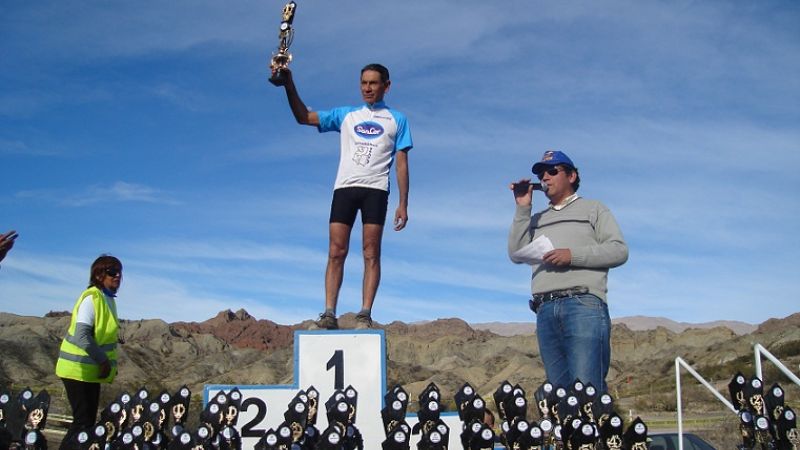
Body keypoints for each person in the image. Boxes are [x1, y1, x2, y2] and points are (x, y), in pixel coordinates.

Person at [276, 63, 413, 330]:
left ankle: (364, 314)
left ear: (387, 86)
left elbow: (402, 164)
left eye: (373, 83)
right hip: (345, 189)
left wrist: (403, 203)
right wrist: (288, 85)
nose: (367, 88)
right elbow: (304, 117)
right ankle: (329, 313)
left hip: (375, 190)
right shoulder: (347, 115)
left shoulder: (397, 119)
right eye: (363, 82)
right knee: (336, 251)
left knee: (371, 252)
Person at [508, 150, 628, 392]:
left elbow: (618, 251)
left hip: (582, 304)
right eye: (542, 173)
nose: (545, 177)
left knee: (586, 390)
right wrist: (523, 209)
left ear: (572, 175)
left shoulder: (593, 209)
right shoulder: (537, 218)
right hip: (544, 309)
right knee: (559, 394)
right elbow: (515, 252)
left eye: (553, 171)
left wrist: (572, 256)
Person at [55, 255, 123, 449]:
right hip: (77, 370)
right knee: (82, 424)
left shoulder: (108, 300)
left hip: (91, 373)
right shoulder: (92, 298)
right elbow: (81, 336)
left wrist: (109, 365)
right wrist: (103, 361)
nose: (117, 276)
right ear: (99, 275)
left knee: (86, 425)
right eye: (112, 271)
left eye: (119, 272)